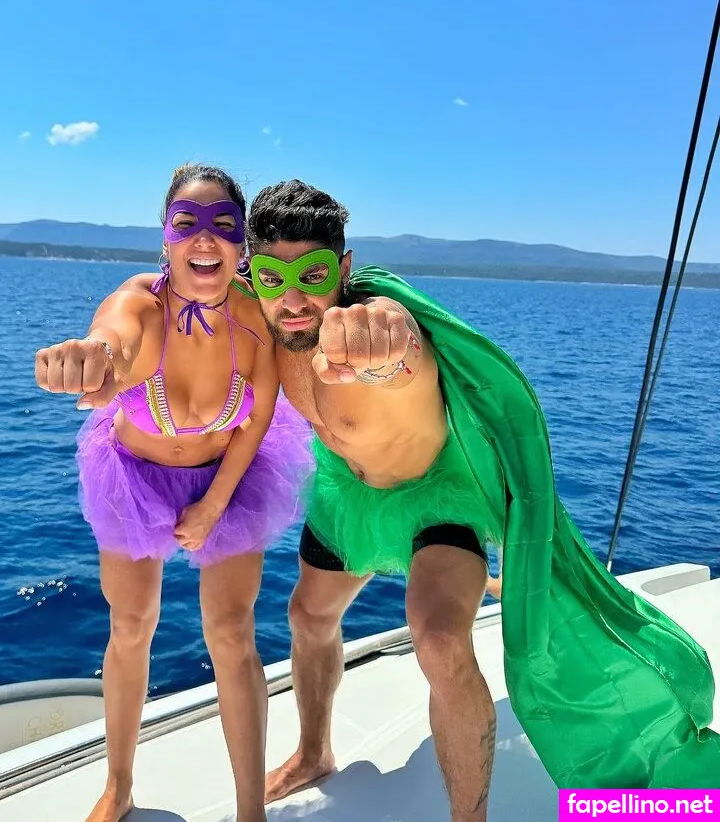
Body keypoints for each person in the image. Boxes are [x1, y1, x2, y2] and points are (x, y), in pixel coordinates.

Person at [244, 179, 720, 819]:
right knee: (307, 618)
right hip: (348, 492)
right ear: (251, 275)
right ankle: (313, 752)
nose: (294, 297)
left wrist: (381, 352)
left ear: (345, 268)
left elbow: (396, 347)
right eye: (273, 278)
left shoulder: (374, 319)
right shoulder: (260, 326)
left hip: (437, 497)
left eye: (313, 274)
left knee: (439, 637)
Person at [34, 164, 312, 822]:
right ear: (166, 240)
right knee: (130, 627)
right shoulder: (140, 305)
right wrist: (89, 360)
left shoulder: (258, 321)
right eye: (187, 224)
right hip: (133, 474)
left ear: (242, 243)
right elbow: (112, 338)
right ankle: (119, 786)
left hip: (229, 476)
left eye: (223, 224)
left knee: (232, 632)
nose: (204, 238)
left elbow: (259, 421)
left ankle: (251, 812)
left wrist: (214, 504)